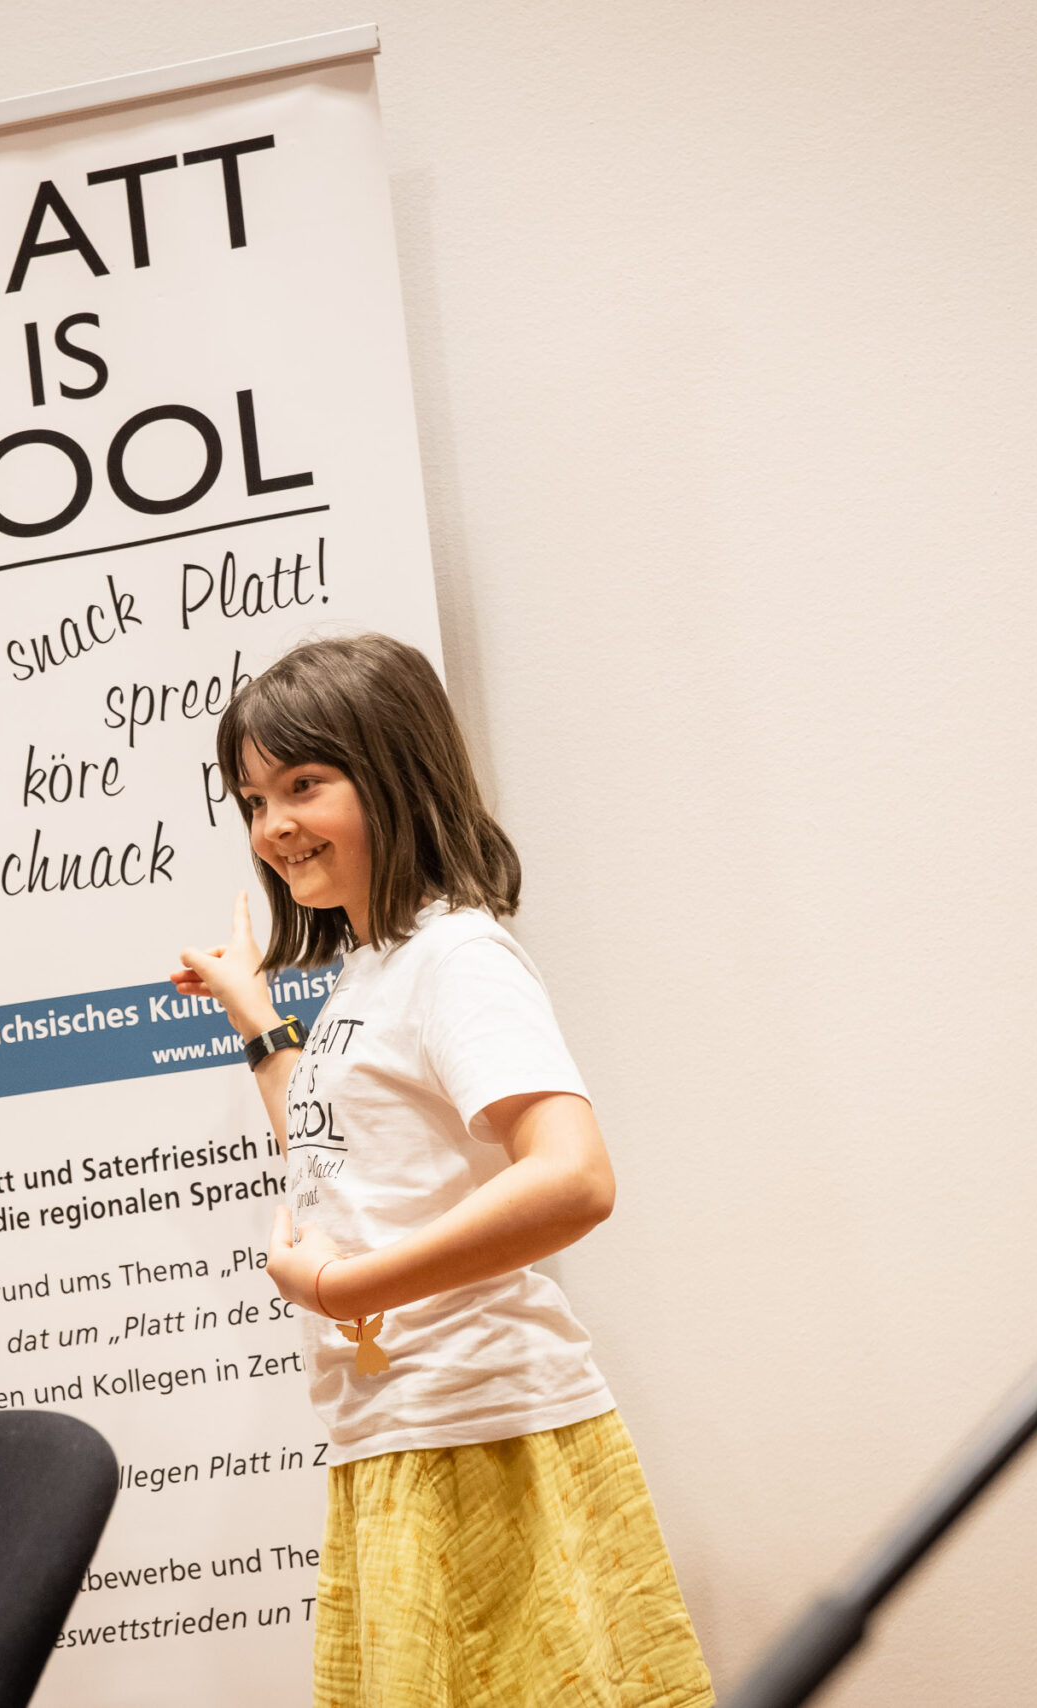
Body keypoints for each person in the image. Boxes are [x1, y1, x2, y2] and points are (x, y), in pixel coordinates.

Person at [170, 632, 712, 1708]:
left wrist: (345, 1289)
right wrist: (258, 1022)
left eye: (303, 785)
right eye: (254, 801)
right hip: (397, 1425)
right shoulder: (374, 970)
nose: (273, 827)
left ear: (394, 769)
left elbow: (573, 1178)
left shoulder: (457, 957)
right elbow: (339, 1163)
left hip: (480, 1426)